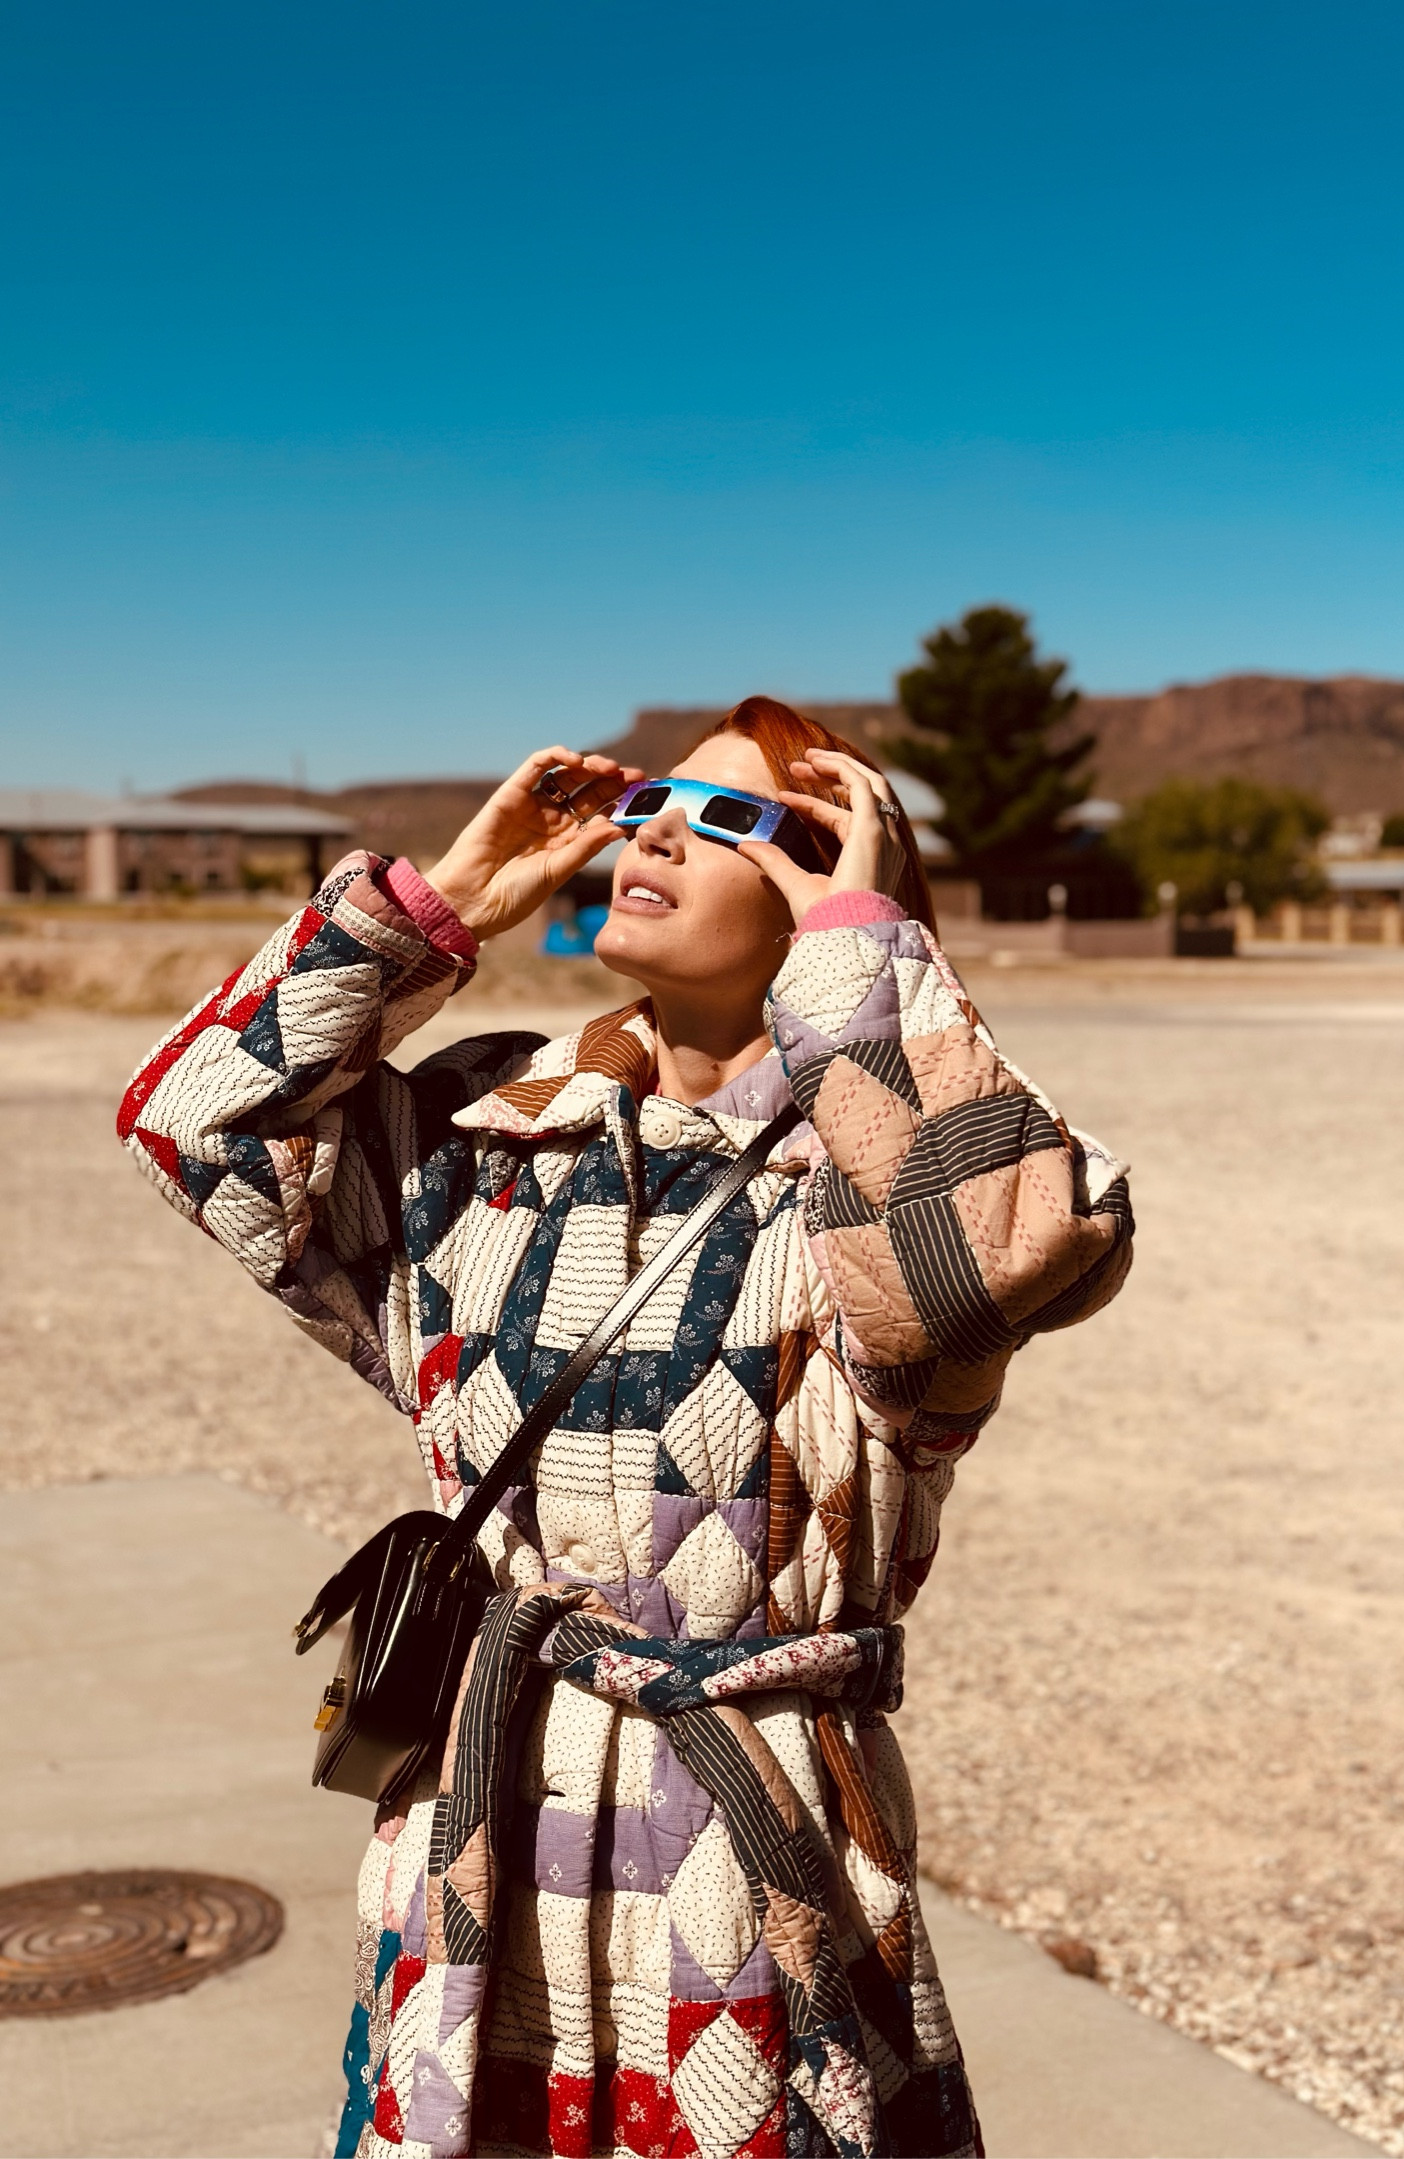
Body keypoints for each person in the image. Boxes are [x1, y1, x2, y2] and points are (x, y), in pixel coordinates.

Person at [119, 696, 1133, 2159]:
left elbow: (1000, 1246)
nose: (654, 828)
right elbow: (194, 1127)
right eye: (656, 799)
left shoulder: (873, 1182)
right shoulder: (480, 1132)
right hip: (481, 1826)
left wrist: (863, 958)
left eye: (729, 819)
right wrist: (439, 912)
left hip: (750, 1841)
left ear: (829, 885)